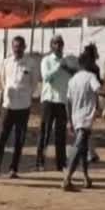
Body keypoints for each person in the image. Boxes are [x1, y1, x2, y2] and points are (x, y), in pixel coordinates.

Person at [0, 35, 39, 179]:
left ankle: (13, 169)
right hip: (8, 105)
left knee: (19, 139)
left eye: (19, 46)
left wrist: (25, 96)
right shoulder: (6, 62)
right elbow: (3, 83)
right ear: (12, 47)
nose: (17, 49)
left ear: (24, 47)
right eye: (15, 46)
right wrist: (0, 104)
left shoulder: (31, 63)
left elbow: (34, 84)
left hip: (23, 107)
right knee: (1, 138)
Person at [64, 44, 102, 191]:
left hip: (76, 116)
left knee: (83, 147)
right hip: (86, 117)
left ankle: (86, 177)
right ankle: (67, 178)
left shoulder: (73, 79)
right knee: (79, 147)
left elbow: (68, 101)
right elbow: (99, 90)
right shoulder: (92, 75)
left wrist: (69, 120)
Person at [37, 34, 73, 172]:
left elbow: (71, 78)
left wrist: (68, 68)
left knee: (61, 134)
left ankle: (61, 163)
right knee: (44, 132)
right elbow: (46, 77)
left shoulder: (66, 62)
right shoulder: (46, 60)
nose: (58, 46)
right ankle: (40, 162)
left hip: (62, 101)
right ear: (51, 46)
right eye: (55, 43)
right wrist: (59, 67)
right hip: (49, 100)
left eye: (60, 43)